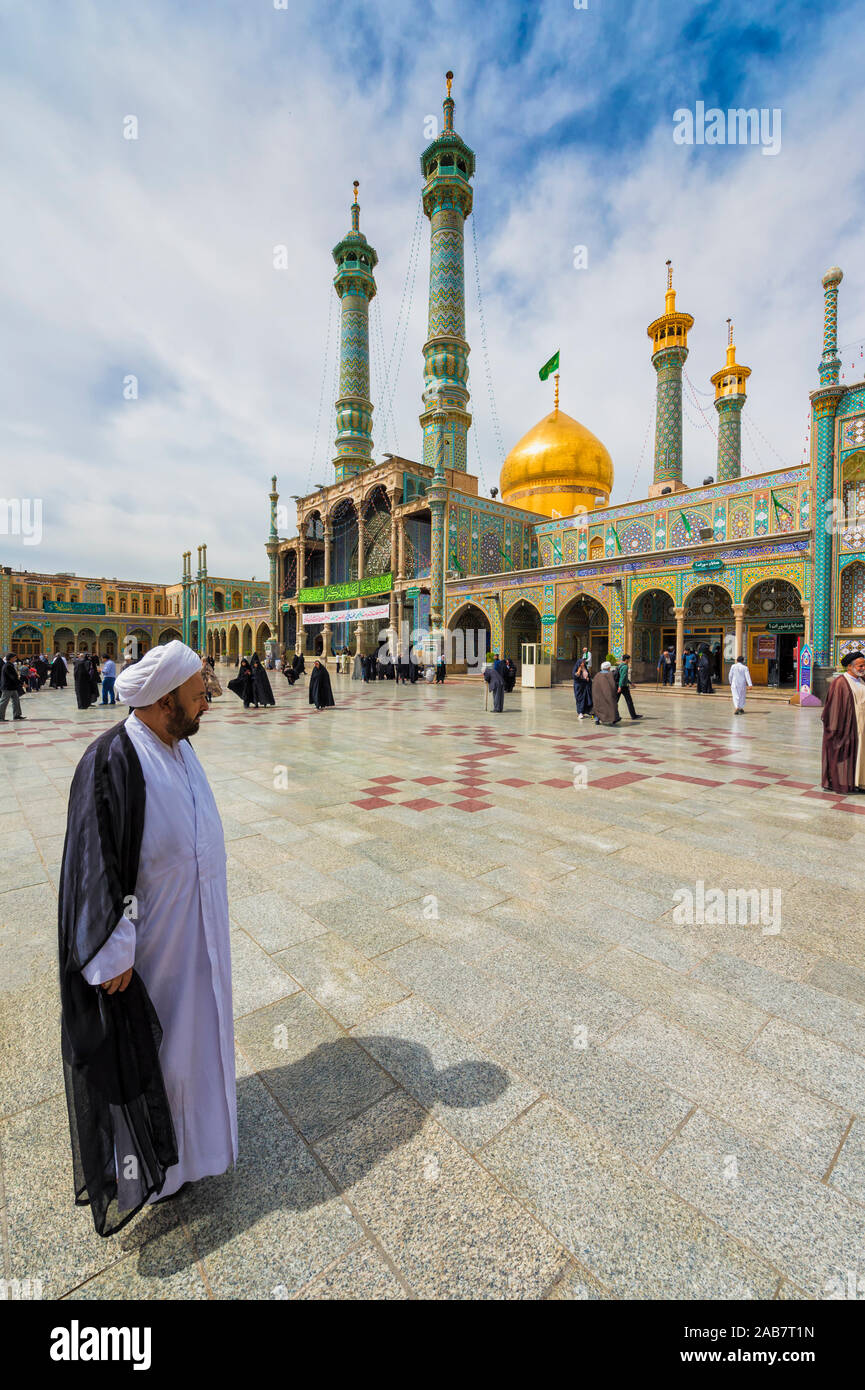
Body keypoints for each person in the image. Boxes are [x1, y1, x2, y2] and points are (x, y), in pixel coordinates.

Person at [58, 640, 236, 1235]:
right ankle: (154, 1162)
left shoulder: (178, 747)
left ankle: (197, 1151)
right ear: (164, 701)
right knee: (157, 1055)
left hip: (195, 936)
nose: (207, 701)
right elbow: (94, 860)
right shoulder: (112, 759)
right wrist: (112, 948)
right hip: (151, 952)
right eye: (197, 694)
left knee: (196, 1044)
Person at [821, 651, 865, 792]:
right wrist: (836, 730)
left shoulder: (862, 680)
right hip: (848, 726)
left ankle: (860, 781)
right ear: (850, 667)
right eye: (860, 666)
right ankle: (843, 781)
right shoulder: (840, 682)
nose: (863, 668)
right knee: (846, 755)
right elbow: (833, 708)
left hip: (861, 726)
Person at [616, 653, 642, 720]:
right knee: (629, 701)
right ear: (626, 659)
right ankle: (633, 716)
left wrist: (630, 683)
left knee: (615, 701)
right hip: (623, 687)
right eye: (629, 659)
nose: (629, 660)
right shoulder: (625, 666)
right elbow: (623, 677)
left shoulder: (620, 666)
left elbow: (623, 677)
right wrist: (620, 686)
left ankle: (611, 714)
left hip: (619, 686)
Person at [0, 654, 26, 721]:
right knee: (4, 702)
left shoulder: (10, 665)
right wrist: (22, 683)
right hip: (7, 687)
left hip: (12, 687)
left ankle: (17, 715)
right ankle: (0, 717)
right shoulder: (8, 666)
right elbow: (13, 677)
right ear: (11, 658)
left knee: (16, 701)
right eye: (15, 657)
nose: (16, 658)